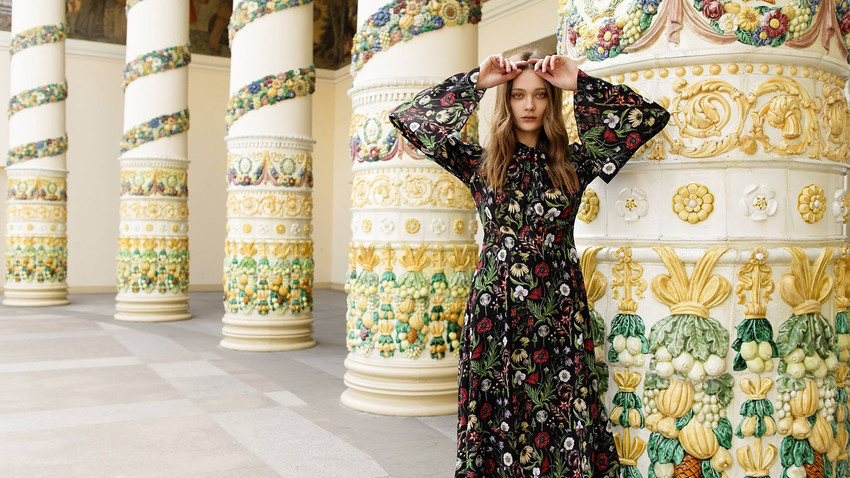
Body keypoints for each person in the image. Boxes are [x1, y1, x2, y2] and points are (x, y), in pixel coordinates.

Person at [388, 50, 670, 478]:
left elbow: (647, 118)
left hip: (559, 310)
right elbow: (410, 119)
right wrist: (476, 82)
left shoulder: (576, 162)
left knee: (563, 411)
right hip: (494, 309)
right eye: (518, 95)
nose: (529, 105)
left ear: (550, 101)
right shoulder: (481, 163)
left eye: (540, 95)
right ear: (507, 101)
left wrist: (577, 80)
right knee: (498, 410)